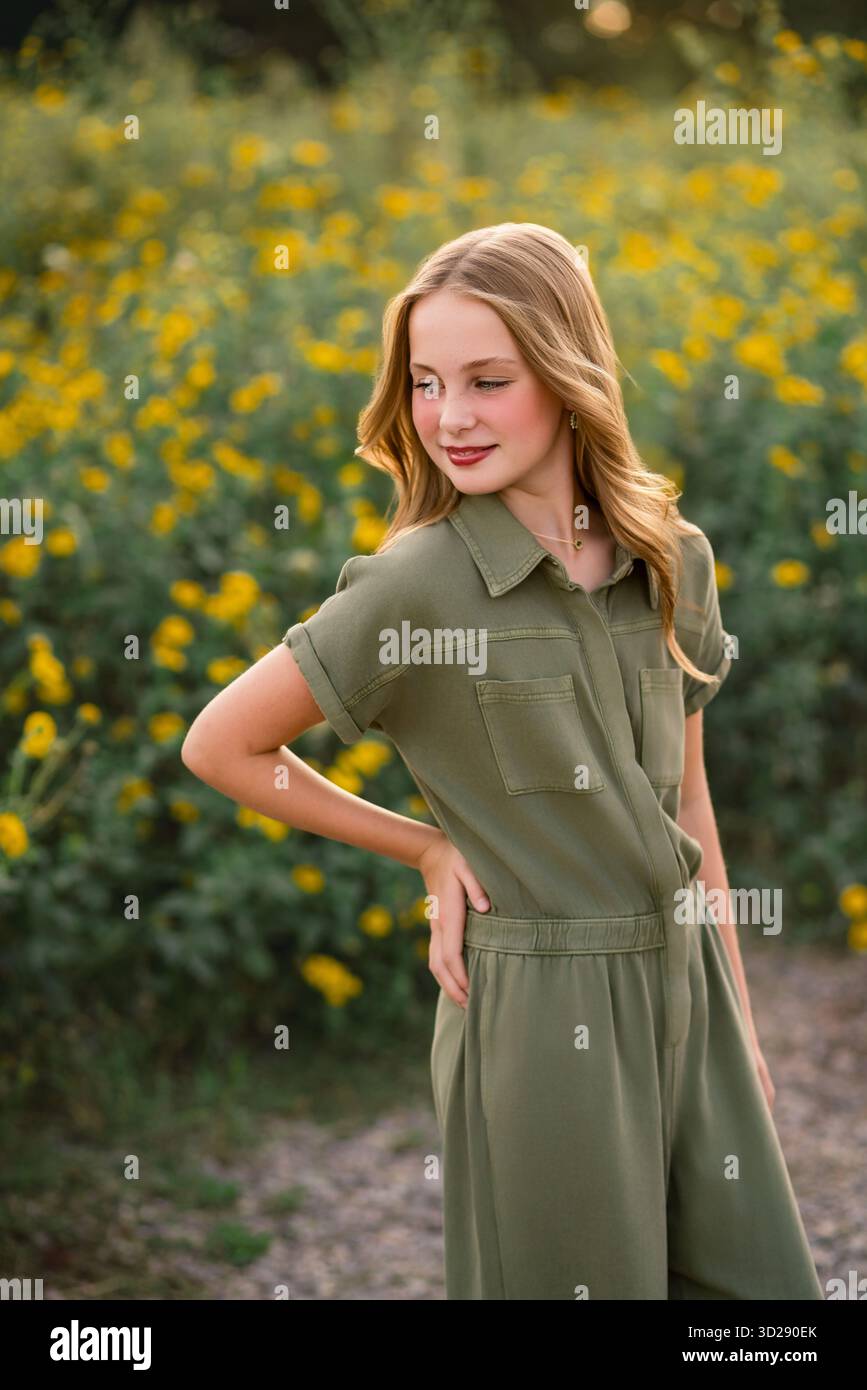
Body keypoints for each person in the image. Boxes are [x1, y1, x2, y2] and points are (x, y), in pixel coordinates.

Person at [181, 222, 824, 1301]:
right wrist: (425, 848)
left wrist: (740, 1031)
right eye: (425, 383)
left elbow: (691, 809)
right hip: (538, 1009)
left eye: (488, 380)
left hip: (692, 986)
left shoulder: (672, 558)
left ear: (569, 375)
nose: (450, 417)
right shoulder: (415, 586)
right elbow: (223, 744)